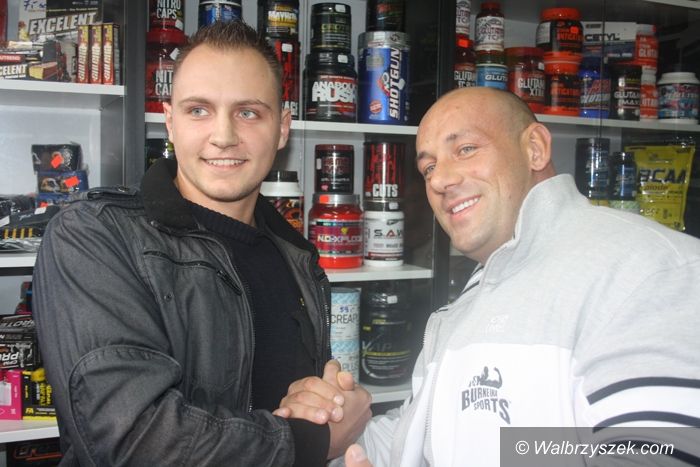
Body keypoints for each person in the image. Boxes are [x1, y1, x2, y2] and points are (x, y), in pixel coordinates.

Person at [282, 87, 700, 465]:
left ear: (535, 149)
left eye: (465, 149)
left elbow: (653, 451)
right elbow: (425, 435)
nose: (440, 180)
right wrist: (334, 433)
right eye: (428, 168)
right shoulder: (481, 290)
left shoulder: (649, 267)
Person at [32, 20, 370, 466]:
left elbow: (293, 405)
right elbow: (132, 441)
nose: (224, 136)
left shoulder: (296, 256)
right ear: (170, 123)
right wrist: (309, 442)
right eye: (198, 110)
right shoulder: (94, 236)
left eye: (248, 113)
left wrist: (329, 403)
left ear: (282, 128)